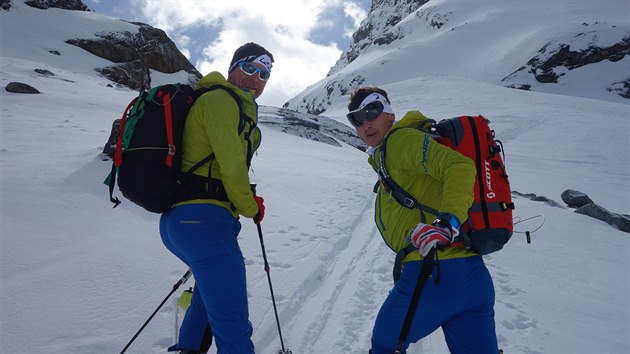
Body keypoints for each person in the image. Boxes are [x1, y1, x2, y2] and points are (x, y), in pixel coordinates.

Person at [346, 86, 498, 353]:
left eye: (373, 111)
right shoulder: (393, 148)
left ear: (389, 112)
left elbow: (459, 166)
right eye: (357, 119)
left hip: (432, 274)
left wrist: (447, 222)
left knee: (384, 345)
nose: (366, 123)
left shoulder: (400, 142)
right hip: (472, 276)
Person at [160, 42, 274, 354]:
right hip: (202, 221)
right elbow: (232, 164)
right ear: (233, 68)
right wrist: (251, 206)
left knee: (208, 296)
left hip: (188, 222)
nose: (255, 78)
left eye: (263, 74)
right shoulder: (221, 101)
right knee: (232, 321)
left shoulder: (232, 107)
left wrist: (241, 202)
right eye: (249, 68)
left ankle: (189, 348)